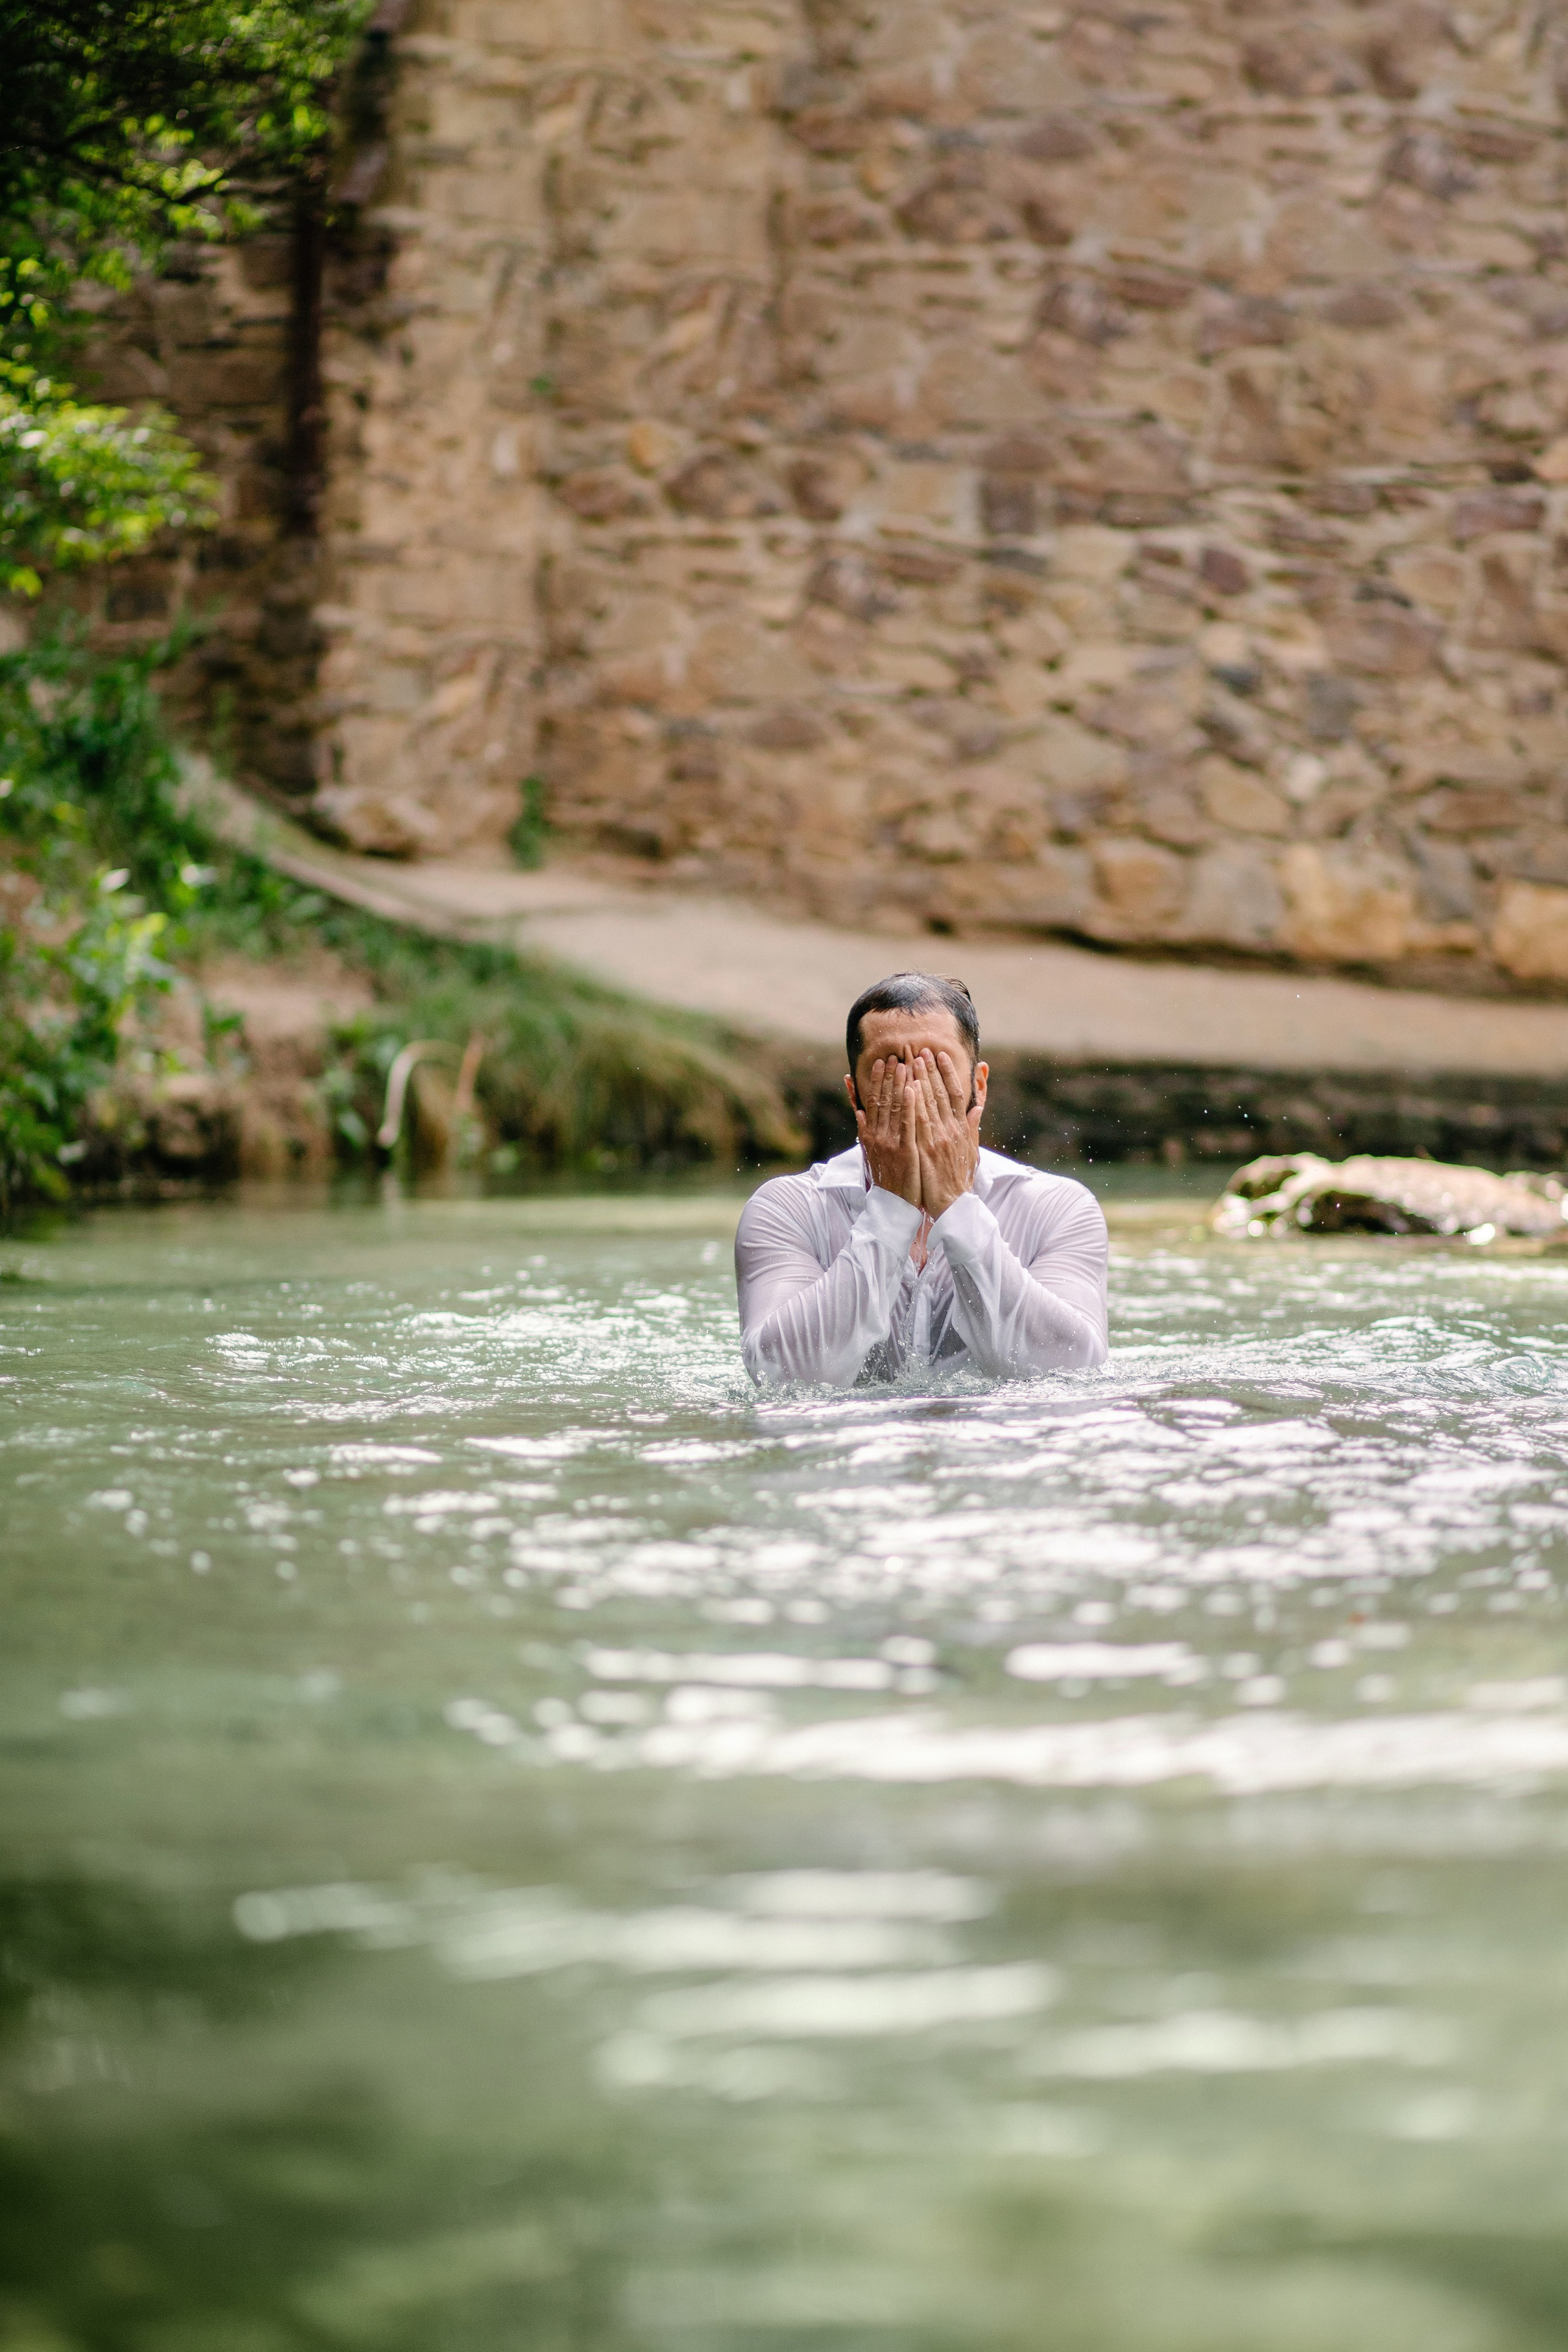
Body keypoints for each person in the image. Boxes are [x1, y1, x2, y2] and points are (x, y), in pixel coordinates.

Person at [736, 971, 1109, 1386]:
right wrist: (890, 1206)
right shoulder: (788, 1208)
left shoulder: (1056, 1207)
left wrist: (957, 1206)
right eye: (890, 1068)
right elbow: (784, 1380)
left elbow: (1072, 1375)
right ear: (854, 1094)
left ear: (979, 1087)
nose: (914, 1089)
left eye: (937, 1066)